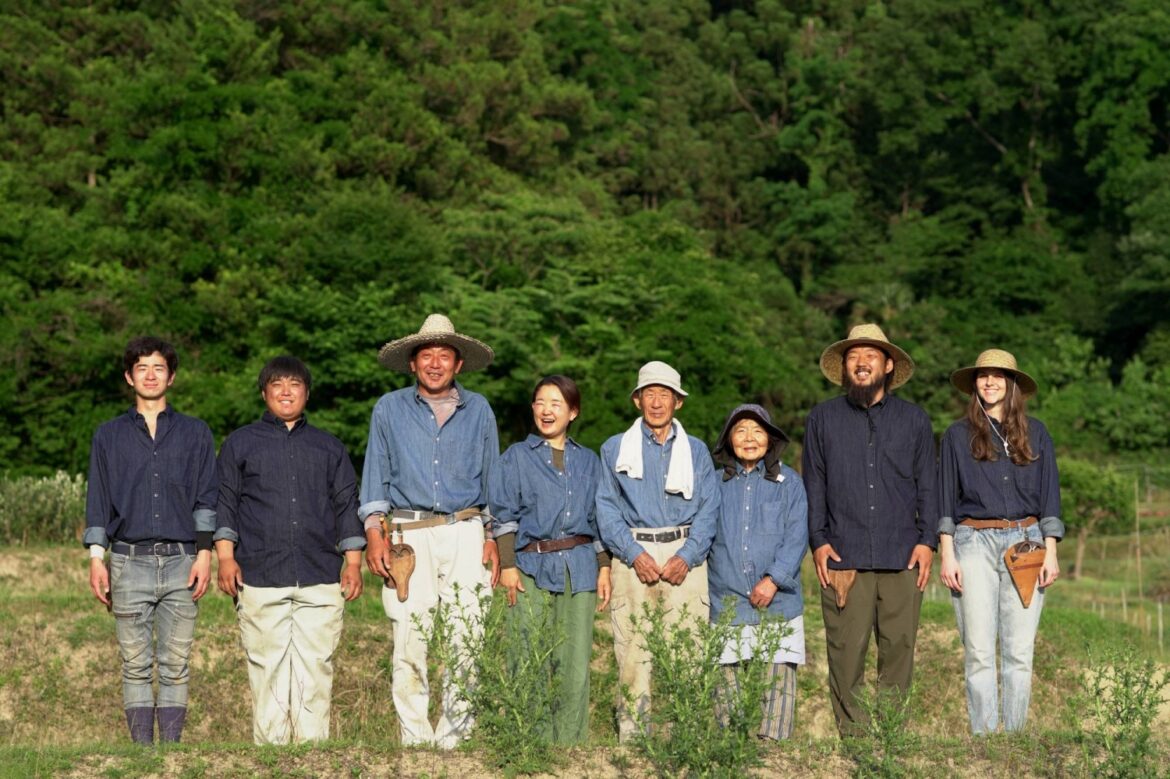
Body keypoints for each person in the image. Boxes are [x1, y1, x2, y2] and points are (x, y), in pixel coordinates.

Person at [360, 313, 501, 749]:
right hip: (408, 533)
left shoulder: (478, 409)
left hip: (466, 528)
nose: (435, 363)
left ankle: (456, 740)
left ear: (458, 364)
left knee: (467, 634)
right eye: (427, 355)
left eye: (445, 355)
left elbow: (492, 477)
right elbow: (375, 476)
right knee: (409, 635)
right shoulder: (389, 409)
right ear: (412, 363)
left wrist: (494, 536)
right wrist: (374, 534)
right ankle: (416, 740)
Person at [214, 355, 366, 744]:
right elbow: (226, 503)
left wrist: (352, 562)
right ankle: (272, 757)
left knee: (316, 669)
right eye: (277, 384)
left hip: (320, 574)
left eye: (294, 384)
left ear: (307, 393)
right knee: (267, 671)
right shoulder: (240, 443)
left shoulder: (329, 447)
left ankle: (313, 755)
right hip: (259, 573)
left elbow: (347, 505)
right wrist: (226, 557)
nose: (286, 391)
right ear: (264, 392)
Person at [802, 323, 938, 735]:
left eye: (871, 356)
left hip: (903, 554)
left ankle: (891, 738)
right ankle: (856, 743)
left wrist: (927, 541)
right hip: (845, 555)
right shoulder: (822, 419)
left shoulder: (914, 420)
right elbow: (814, 484)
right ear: (844, 367)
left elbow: (927, 485)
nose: (862, 363)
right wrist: (819, 542)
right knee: (846, 654)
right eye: (853, 357)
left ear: (888, 364)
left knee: (899, 649)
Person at [83, 336, 217, 745]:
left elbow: (206, 497)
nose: (150, 374)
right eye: (142, 367)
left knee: (176, 663)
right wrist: (95, 558)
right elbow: (98, 500)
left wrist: (205, 553)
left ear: (171, 377)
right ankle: (143, 757)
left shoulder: (195, 433)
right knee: (135, 664)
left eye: (159, 367)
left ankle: (171, 755)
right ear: (129, 377)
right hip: (126, 561)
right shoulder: (108, 436)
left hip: (182, 560)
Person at [938, 349, 1062, 734]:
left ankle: (1014, 738)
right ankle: (985, 739)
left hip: (1027, 543)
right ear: (974, 384)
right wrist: (947, 553)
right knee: (977, 650)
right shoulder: (957, 436)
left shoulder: (1037, 432)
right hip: (972, 542)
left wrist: (1051, 552)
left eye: (998, 375)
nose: (989, 382)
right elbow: (944, 496)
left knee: (1019, 652)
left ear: (1012, 384)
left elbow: (1049, 495)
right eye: (982, 376)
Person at [595, 360, 720, 742]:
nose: (657, 402)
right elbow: (606, 506)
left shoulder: (696, 451)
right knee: (632, 654)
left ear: (677, 402)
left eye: (665, 394)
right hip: (633, 555)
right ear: (637, 400)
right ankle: (632, 742)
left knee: (690, 651)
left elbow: (709, 507)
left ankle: (689, 741)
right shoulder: (615, 448)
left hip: (687, 555)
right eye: (650, 393)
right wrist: (633, 555)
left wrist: (688, 555)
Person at [489, 375, 612, 744]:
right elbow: (503, 516)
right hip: (529, 567)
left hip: (580, 568)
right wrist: (508, 566)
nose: (547, 410)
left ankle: (570, 748)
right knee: (527, 656)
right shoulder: (515, 457)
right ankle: (530, 745)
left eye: (557, 403)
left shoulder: (589, 461)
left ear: (572, 412)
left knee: (573, 663)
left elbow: (598, 518)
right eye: (541, 402)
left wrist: (604, 566)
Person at [708, 404, 808, 740]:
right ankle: (731, 752)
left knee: (778, 679)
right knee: (726, 681)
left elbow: (797, 536)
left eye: (757, 431)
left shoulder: (789, 482)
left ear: (770, 439)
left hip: (777, 598)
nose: (749, 438)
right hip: (727, 598)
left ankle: (772, 755)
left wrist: (773, 579)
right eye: (740, 431)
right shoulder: (715, 483)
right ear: (728, 440)